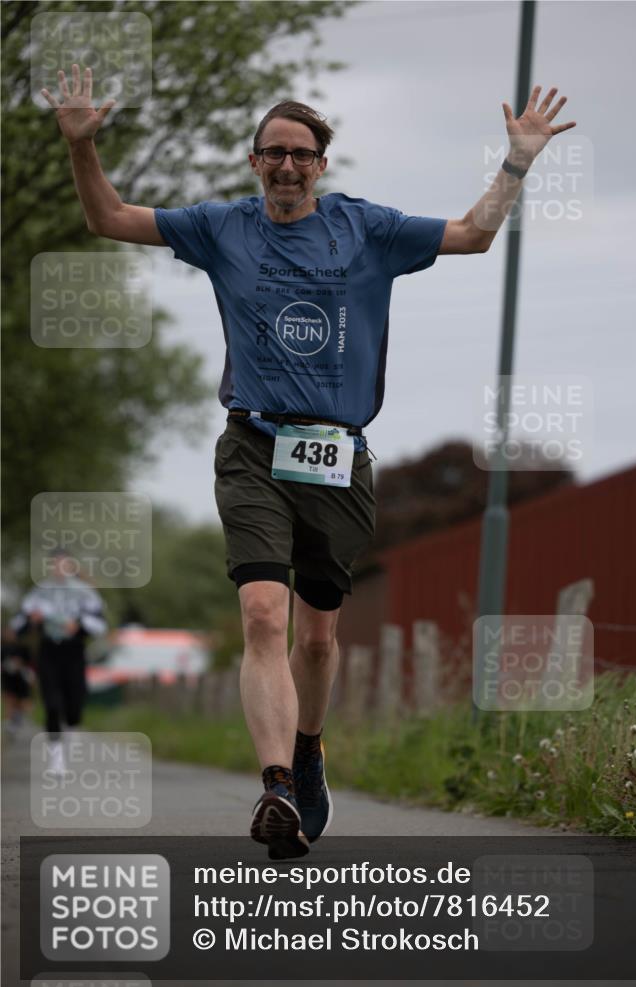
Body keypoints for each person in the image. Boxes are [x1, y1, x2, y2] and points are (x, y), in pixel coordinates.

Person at [42, 66, 575, 857]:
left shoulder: (367, 229)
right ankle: (275, 789)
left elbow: (473, 233)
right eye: (272, 153)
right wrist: (83, 147)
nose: (286, 165)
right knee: (263, 614)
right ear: (253, 162)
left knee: (317, 639)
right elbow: (110, 218)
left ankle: (306, 749)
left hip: (335, 453)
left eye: (301, 153)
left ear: (321, 164)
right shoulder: (220, 226)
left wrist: (518, 161)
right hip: (252, 443)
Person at [10, 550, 107, 773]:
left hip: (74, 652)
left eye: (63, 564)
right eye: (55, 564)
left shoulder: (85, 593)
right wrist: (31, 621)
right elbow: (18, 624)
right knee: (52, 703)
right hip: (48, 652)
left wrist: (80, 624)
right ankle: (57, 759)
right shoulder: (39, 592)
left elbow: (100, 624)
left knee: (74, 704)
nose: (59, 568)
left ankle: (71, 729)